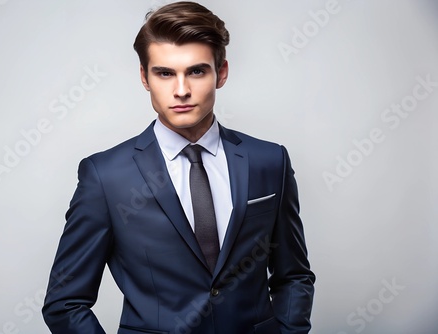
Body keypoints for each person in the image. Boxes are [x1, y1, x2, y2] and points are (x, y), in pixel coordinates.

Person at [42, 2, 315, 333]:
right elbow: (65, 301)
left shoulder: (269, 160)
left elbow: (294, 275)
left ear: (222, 73)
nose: (181, 90)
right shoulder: (105, 176)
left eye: (197, 71)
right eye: (165, 73)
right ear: (144, 77)